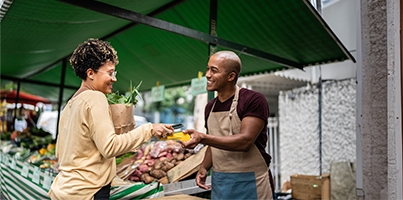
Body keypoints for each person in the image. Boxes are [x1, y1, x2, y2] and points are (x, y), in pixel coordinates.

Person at [48, 38, 174, 200]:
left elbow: (61, 152)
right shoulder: (95, 98)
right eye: (110, 72)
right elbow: (109, 147)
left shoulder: (70, 105)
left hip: (65, 190)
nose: (114, 78)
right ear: (90, 73)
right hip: (88, 191)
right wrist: (149, 129)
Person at [182, 51, 275, 199]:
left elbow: (245, 141)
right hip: (221, 182)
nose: (207, 74)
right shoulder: (210, 107)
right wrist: (204, 167)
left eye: (214, 70)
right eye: (207, 69)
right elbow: (214, 142)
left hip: (251, 183)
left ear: (231, 76)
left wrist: (203, 138)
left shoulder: (253, 100)